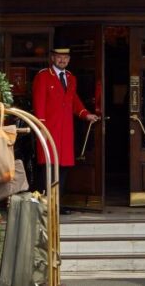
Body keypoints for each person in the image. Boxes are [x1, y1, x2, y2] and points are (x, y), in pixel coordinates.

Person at [32, 35, 99, 214]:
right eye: (59, 57)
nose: (62, 60)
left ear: (69, 59)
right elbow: (38, 104)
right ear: (52, 58)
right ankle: (44, 205)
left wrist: (85, 114)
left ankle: (57, 205)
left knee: (63, 168)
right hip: (48, 130)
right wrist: (42, 128)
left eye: (66, 57)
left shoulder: (71, 78)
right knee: (47, 167)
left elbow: (73, 101)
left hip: (65, 132)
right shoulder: (44, 77)